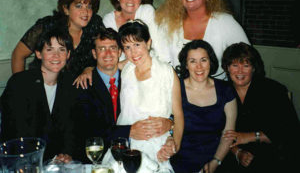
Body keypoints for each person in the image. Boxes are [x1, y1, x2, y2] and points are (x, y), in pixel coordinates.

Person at [72, 27, 174, 163]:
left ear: (120, 52)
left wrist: (170, 125)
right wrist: (127, 131)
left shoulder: (132, 77)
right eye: (102, 49)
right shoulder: (83, 85)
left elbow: (160, 106)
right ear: (94, 54)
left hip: (141, 152)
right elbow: (85, 132)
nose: (108, 53)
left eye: (113, 48)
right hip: (98, 160)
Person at [102, 20, 184, 172]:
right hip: (125, 143)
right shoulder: (126, 68)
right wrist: (87, 69)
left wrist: (175, 144)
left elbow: (178, 115)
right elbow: (102, 68)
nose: (133, 53)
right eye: (127, 47)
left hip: (156, 145)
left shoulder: (167, 72)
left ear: (148, 43)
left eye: (137, 44)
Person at [155, 0, 250, 79]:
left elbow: (248, 59)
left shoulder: (224, 22)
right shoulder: (168, 24)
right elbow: (161, 62)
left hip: (216, 92)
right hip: (179, 91)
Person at [221, 42, 300, 173]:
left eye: (246, 65)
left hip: (269, 152)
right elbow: (214, 131)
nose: (240, 71)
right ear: (227, 68)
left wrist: (250, 136)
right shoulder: (221, 92)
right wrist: (237, 152)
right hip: (230, 153)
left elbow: (289, 131)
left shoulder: (273, 90)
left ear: (253, 68)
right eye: (234, 65)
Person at [1, 28, 77, 162]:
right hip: (19, 160)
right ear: (38, 54)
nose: (56, 55)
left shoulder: (70, 85)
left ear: (68, 54)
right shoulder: (20, 83)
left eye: (61, 49)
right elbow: (17, 133)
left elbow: (70, 130)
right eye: (49, 50)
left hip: (53, 163)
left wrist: (65, 154)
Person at [11, 0, 104, 78]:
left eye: (89, 6)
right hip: (42, 86)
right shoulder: (47, 26)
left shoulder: (95, 26)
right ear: (66, 9)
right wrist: (20, 87)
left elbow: (105, 56)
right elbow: (18, 55)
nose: (85, 12)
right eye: (79, 6)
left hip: (78, 90)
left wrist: (90, 68)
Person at [170, 40, 237, 173]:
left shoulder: (226, 90)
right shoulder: (175, 89)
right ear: (186, 65)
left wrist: (215, 162)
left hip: (218, 159)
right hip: (181, 162)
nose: (199, 67)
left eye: (203, 60)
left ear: (210, 62)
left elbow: (228, 134)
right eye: (193, 61)